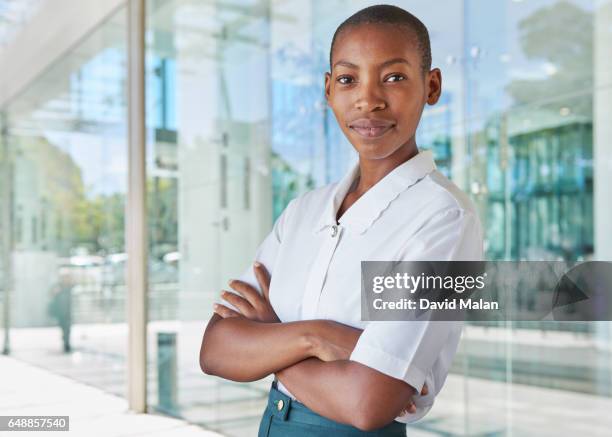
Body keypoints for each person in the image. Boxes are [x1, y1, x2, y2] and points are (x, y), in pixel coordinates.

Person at [200, 4, 483, 436]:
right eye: (348, 79)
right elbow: (216, 350)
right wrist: (317, 337)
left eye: (393, 77)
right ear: (329, 90)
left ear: (431, 86)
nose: (368, 99)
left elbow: (368, 401)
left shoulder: (447, 220)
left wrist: (273, 338)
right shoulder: (303, 212)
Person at [48, 270, 73, 353]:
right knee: (64, 329)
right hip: (60, 313)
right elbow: (51, 294)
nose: (67, 279)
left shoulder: (70, 287)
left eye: (68, 277)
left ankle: (67, 343)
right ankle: (65, 342)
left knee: (68, 329)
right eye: (65, 277)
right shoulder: (58, 287)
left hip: (68, 312)